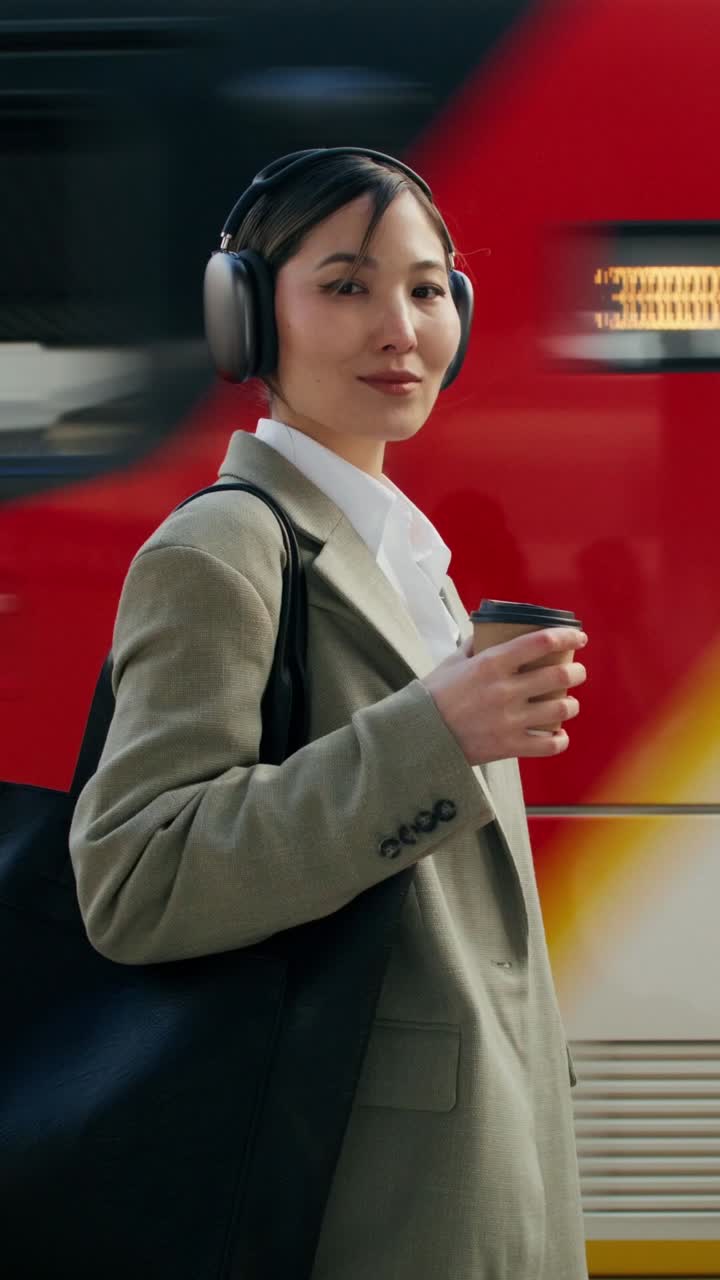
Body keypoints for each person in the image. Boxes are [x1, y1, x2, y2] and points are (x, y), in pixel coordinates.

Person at [69, 148, 589, 1279]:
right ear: (247, 318)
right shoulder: (223, 547)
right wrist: (434, 735)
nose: (400, 328)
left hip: (477, 1162)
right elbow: (136, 879)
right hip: (362, 1194)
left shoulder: (404, 552)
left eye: (427, 288)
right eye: (347, 285)